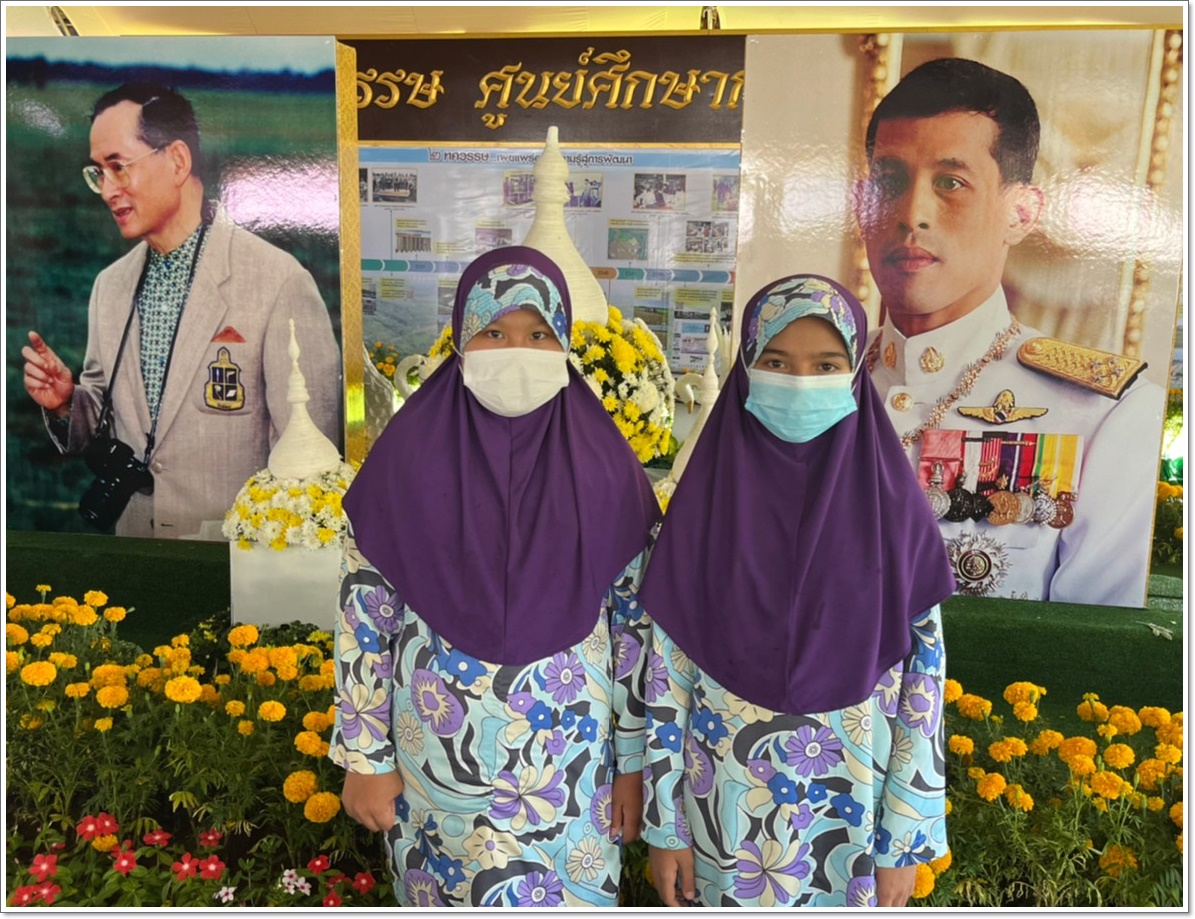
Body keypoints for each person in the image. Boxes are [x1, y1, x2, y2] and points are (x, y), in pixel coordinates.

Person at [330, 246, 662, 907]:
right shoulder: (406, 462)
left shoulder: (605, 469)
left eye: (538, 334)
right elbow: (362, 616)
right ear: (460, 342)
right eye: (493, 331)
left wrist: (632, 766)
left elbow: (634, 631)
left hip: (570, 768)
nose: (516, 351)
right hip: (433, 764)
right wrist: (365, 758)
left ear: (564, 343)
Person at [639, 274, 955, 908]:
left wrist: (902, 845)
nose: (801, 381)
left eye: (826, 365)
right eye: (777, 362)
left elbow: (923, 688)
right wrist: (665, 829)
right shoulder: (705, 508)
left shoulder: (894, 514)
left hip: (853, 814)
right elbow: (665, 678)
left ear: (855, 374)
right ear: (746, 370)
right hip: (720, 811)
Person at [858, 57, 1163, 606]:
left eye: (951, 183)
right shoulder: (805, 379)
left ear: (1020, 213)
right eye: (889, 180)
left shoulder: (1104, 412)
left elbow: (1096, 645)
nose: (912, 214)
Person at [20, 82, 341, 539]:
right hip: (136, 550)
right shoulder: (110, 287)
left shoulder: (278, 281)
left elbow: (310, 459)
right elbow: (102, 417)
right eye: (98, 173)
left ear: (176, 161)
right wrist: (67, 402)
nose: (107, 190)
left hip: (233, 558)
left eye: (118, 167)